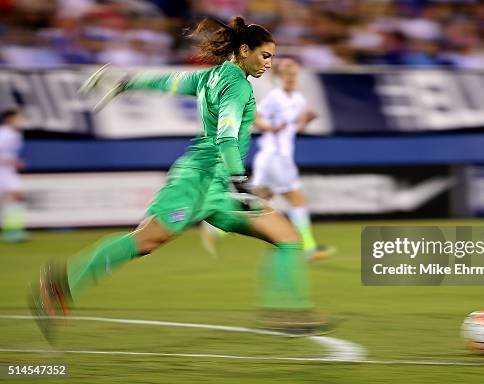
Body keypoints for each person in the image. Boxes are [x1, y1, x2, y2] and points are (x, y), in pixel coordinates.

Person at [30, 16, 329, 341]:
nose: (269, 63)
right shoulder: (238, 86)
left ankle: (286, 313)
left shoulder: (212, 77)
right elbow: (226, 138)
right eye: (265, 55)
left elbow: (169, 82)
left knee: (288, 238)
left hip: (217, 185)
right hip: (199, 180)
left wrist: (127, 82)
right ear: (245, 50)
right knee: (145, 241)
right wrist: (241, 184)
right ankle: (61, 283)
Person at [201, 58, 335, 261]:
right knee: (297, 200)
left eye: (294, 74)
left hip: (274, 157)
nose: (291, 78)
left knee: (259, 199)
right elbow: (256, 117)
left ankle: (216, 228)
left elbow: (293, 129)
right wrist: (270, 128)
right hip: (275, 156)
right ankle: (309, 248)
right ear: (278, 77)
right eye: (287, 74)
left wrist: (306, 121)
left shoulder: (297, 99)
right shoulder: (276, 97)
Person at [0, 109, 29, 242]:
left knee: (17, 197)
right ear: (9, 119)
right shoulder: (4, 134)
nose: (21, 121)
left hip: (8, 172)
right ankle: (12, 232)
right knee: (15, 197)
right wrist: (13, 161)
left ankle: (13, 232)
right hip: (3, 171)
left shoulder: (15, 134)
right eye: (18, 118)